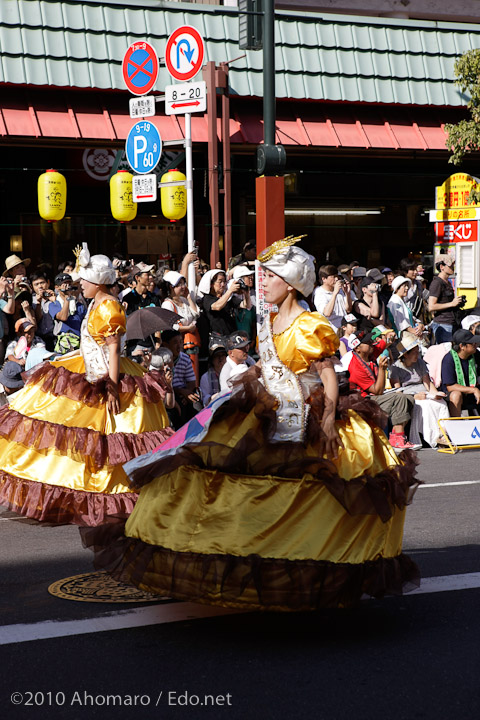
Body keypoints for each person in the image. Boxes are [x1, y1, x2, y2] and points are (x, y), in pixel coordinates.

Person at [84, 236, 419, 611]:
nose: (265, 284)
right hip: (271, 407)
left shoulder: (311, 324)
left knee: (305, 491)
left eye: (272, 277)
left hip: (305, 412)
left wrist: (326, 420)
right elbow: (266, 364)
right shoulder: (273, 319)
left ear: (290, 284)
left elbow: (327, 376)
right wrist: (234, 391)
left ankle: (302, 562)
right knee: (220, 471)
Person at [0, 244, 173, 526]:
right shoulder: (96, 303)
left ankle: (111, 490)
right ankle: (78, 485)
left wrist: (113, 388)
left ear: (98, 282)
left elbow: (113, 350)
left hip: (107, 376)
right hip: (87, 370)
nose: (80, 284)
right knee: (75, 433)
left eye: (85, 280)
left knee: (113, 437)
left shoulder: (109, 306)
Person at [348, 330, 420, 451]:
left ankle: (395, 436)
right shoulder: (355, 367)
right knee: (400, 398)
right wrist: (382, 369)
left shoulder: (369, 353)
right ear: (357, 348)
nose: (372, 343)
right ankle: (398, 438)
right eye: (367, 342)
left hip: (373, 396)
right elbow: (377, 391)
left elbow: (383, 343)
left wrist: (389, 338)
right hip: (363, 401)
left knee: (409, 398)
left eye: (371, 341)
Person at [390, 333, 449, 448]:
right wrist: (414, 396)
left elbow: (427, 382)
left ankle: (442, 434)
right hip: (409, 395)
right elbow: (397, 391)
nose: (418, 354)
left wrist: (435, 393)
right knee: (425, 406)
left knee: (442, 404)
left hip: (424, 393)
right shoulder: (395, 368)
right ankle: (429, 437)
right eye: (414, 352)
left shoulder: (420, 363)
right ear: (406, 354)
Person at [161, 271, 201, 383]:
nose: (183, 287)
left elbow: (196, 313)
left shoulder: (184, 300)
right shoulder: (167, 304)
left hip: (191, 342)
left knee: (192, 371)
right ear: (171, 287)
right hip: (178, 343)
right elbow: (171, 325)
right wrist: (187, 329)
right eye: (179, 285)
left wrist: (188, 297)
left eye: (183, 283)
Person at [440, 329, 480, 416]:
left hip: (472, 390)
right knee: (456, 395)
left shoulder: (476, 355)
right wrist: (473, 390)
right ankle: (456, 426)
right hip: (453, 394)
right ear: (462, 346)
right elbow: (450, 386)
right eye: (472, 343)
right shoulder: (448, 359)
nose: (475, 344)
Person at [48, 272, 86, 354]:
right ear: (57, 288)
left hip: (79, 343)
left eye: (69, 284)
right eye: (64, 284)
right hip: (63, 344)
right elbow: (63, 317)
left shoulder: (78, 305)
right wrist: (67, 297)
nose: (67, 286)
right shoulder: (53, 305)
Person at [428, 255, 463, 343]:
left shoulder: (447, 282)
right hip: (443, 324)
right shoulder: (437, 283)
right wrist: (452, 303)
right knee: (444, 352)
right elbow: (431, 306)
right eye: (450, 266)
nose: (452, 268)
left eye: (453, 265)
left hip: (451, 322)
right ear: (441, 267)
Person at [198, 269, 242, 338]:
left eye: (224, 282)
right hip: (217, 339)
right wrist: (230, 290)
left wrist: (246, 292)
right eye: (220, 282)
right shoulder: (207, 298)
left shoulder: (228, 297)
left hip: (231, 337)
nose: (223, 285)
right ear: (211, 284)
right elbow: (217, 306)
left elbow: (246, 305)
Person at [312, 264, 352, 329]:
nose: (336, 279)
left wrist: (347, 293)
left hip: (344, 329)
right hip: (331, 331)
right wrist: (334, 294)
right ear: (324, 279)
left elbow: (348, 309)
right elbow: (327, 313)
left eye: (337, 276)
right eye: (333, 277)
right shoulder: (319, 292)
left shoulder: (340, 289)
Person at [387, 276, 424, 341]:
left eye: (407, 286)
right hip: (402, 338)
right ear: (397, 289)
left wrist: (419, 325)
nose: (407, 288)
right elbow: (402, 325)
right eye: (404, 286)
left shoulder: (401, 300)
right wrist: (416, 332)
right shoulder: (395, 302)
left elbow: (410, 318)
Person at [199, 339, 227, 406]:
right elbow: (204, 399)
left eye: (223, 355)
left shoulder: (230, 372)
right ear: (212, 360)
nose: (220, 358)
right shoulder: (205, 377)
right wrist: (212, 398)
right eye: (217, 356)